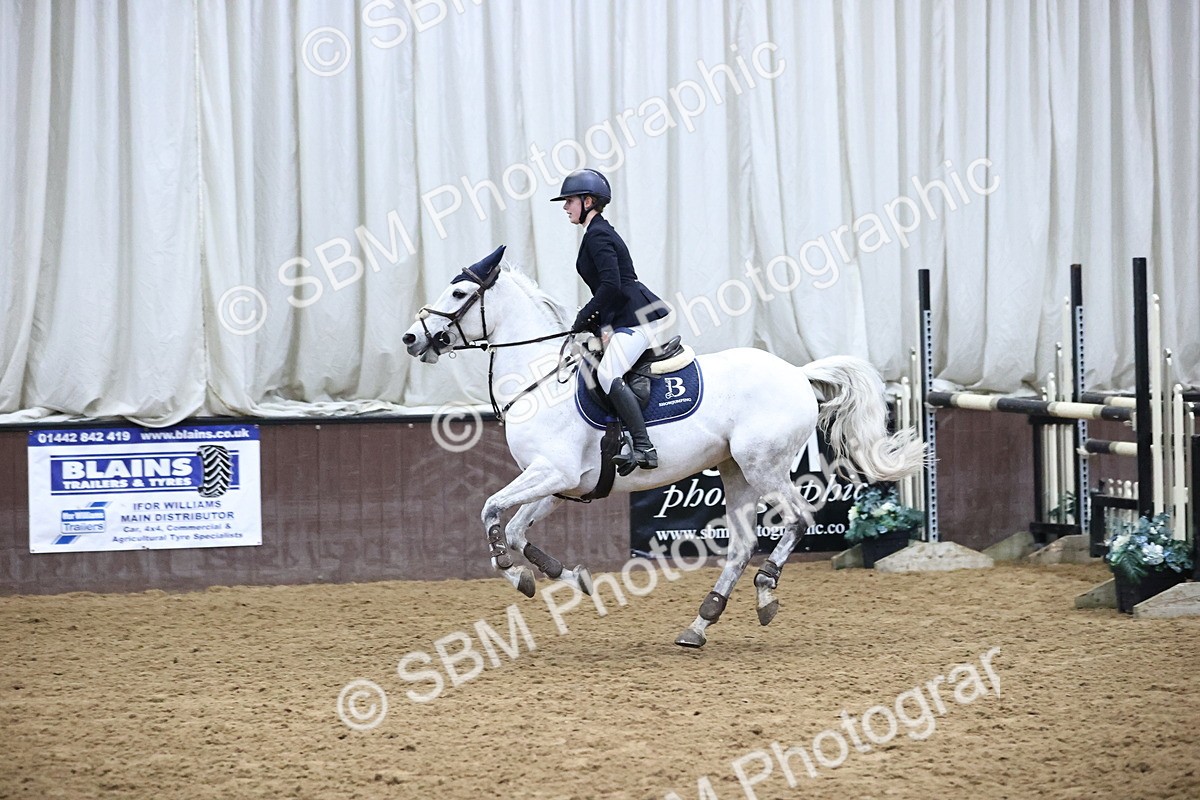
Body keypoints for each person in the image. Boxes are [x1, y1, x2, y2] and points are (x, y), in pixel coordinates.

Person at [552, 168, 671, 471]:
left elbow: (611, 285)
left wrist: (583, 318)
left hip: (635, 315)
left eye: (569, 201)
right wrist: (603, 325)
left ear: (588, 200)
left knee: (607, 374)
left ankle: (644, 447)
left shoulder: (599, 235)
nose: (565, 207)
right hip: (624, 314)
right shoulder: (596, 232)